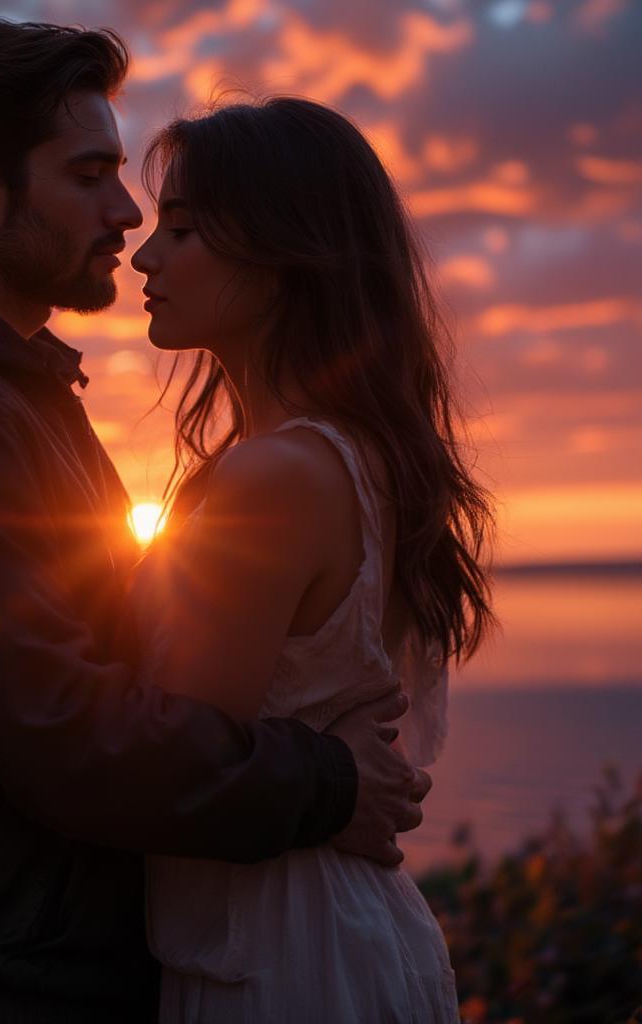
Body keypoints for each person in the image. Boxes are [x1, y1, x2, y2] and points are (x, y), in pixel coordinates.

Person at [0, 18, 426, 1023]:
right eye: (87, 176)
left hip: (20, 966)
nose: (124, 214)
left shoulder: (11, 400)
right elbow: (62, 729)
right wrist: (326, 781)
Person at [129, 97, 496, 1022]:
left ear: (283, 251)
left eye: (183, 230)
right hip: (326, 931)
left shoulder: (276, 477)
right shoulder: (354, 455)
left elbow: (181, 762)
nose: (144, 255)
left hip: (276, 951)